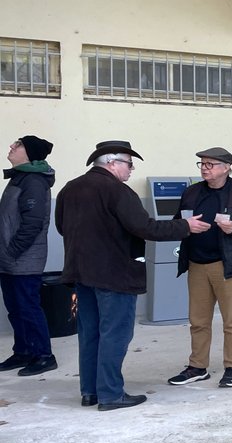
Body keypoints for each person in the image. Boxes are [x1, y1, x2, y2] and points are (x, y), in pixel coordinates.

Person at [56, 140, 209, 410]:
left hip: (81, 273)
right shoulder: (117, 191)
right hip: (115, 275)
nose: (131, 169)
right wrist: (186, 226)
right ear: (111, 162)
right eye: (128, 163)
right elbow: (145, 228)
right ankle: (111, 394)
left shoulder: (71, 188)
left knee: (90, 333)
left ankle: (90, 392)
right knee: (115, 334)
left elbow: (61, 226)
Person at [166, 148, 232, 389]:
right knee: (198, 321)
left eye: (210, 164)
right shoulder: (191, 192)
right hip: (196, 263)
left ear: (226, 167)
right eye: (201, 163)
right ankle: (197, 367)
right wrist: (185, 226)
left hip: (227, 266)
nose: (204, 168)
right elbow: (176, 222)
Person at [0, 135, 57, 376]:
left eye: (18, 144)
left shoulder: (33, 180)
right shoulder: (19, 177)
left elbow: (32, 224)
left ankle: (44, 355)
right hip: (9, 259)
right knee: (15, 308)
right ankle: (23, 351)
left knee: (28, 307)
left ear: (30, 153)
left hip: (23, 259)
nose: (11, 147)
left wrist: (11, 251)